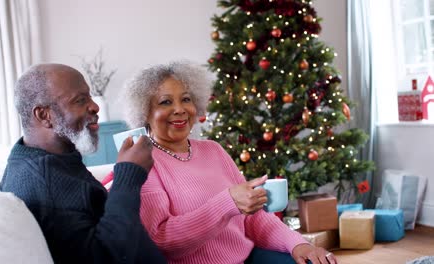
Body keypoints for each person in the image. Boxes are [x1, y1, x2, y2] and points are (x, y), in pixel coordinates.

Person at [104, 61, 338, 264]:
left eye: (186, 99)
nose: (179, 109)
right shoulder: (144, 161)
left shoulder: (213, 150)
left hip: (247, 258)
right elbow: (162, 239)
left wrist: (298, 245)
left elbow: (254, 219)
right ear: (145, 112)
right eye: (165, 102)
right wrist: (227, 203)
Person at [0, 63, 166, 264]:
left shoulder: (49, 158)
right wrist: (129, 174)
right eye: (80, 100)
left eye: (89, 96)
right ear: (44, 115)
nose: (95, 106)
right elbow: (104, 257)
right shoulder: (45, 183)